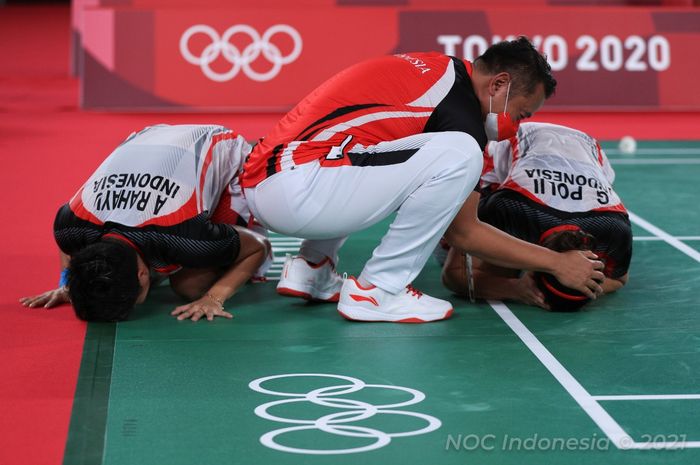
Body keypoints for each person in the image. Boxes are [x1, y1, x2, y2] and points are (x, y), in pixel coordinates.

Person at [240, 37, 604, 323]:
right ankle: (379, 290)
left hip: (272, 179)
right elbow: (465, 233)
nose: (516, 125)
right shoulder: (461, 118)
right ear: (499, 84)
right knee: (460, 153)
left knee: (377, 149)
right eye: (520, 113)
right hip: (296, 188)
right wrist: (556, 263)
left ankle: (313, 268)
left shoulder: (439, 72)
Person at [20, 124, 269, 322]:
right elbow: (67, 245)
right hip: (150, 137)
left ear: (142, 273)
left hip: (223, 149)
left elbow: (258, 246)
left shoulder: (183, 236)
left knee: (192, 287)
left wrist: (214, 298)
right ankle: (163, 265)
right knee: (181, 265)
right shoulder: (71, 226)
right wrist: (67, 284)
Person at [440, 122, 632, 311]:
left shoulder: (614, 227)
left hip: (587, 149)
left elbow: (618, 279)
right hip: (515, 142)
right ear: (533, 274)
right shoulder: (509, 207)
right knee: (454, 241)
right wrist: (515, 288)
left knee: (497, 257)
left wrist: (588, 281)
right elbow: (454, 274)